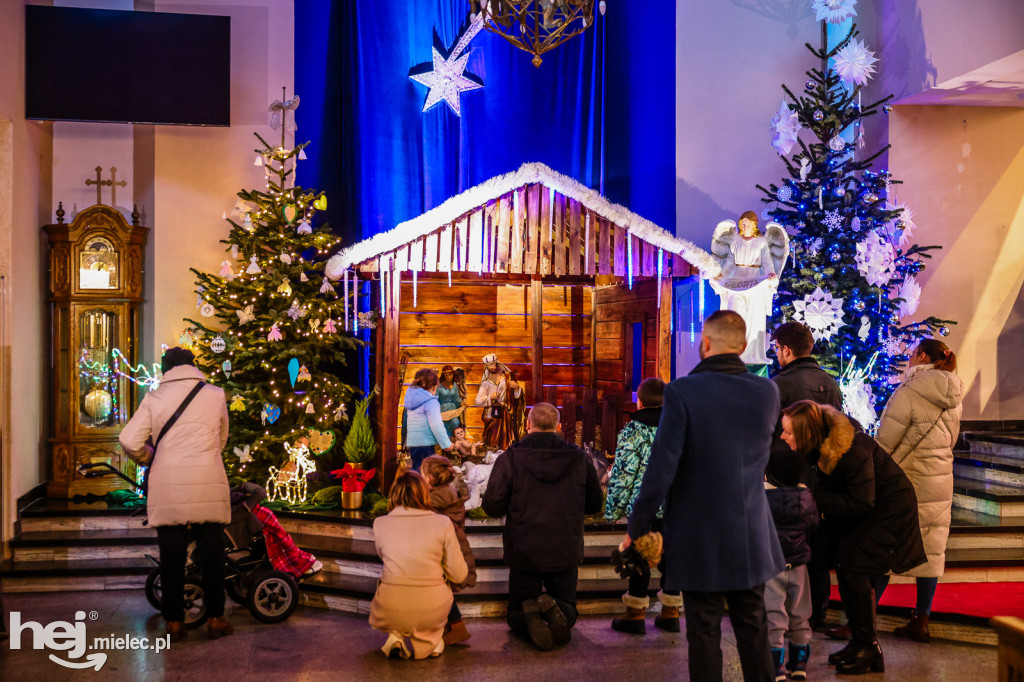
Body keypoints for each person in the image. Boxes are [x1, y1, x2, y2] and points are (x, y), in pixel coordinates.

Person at [625, 310, 785, 682]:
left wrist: (639, 525)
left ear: (705, 343)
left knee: (703, 633)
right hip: (750, 530)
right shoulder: (767, 391)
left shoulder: (682, 392)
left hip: (698, 533)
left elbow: (662, 467)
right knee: (754, 627)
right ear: (743, 348)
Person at [780, 401, 926, 675]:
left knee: (855, 569)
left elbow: (862, 501)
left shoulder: (851, 448)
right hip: (865, 508)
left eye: (788, 432)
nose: (782, 436)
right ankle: (861, 643)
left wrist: (814, 498)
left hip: (888, 509)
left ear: (806, 432)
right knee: (846, 568)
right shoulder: (821, 444)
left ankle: (868, 647)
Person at [119, 347, 233, 641]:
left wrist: (149, 456)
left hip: (168, 484)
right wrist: (204, 457)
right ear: (193, 365)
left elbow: (129, 439)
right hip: (207, 479)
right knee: (212, 555)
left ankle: (174, 622)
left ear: (165, 368)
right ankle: (216, 619)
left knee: (171, 557)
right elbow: (221, 437)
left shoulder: (155, 397)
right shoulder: (215, 394)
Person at [482, 402, 603, 651]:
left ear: (528, 426)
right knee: (568, 606)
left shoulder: (511, 458)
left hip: (524, 548)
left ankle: (528, 617)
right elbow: (594, 503)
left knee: (516, 611)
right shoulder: (579, 458)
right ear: (559, 427)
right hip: (565, 547)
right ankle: (558, 613)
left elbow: (492, 505)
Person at [874, 339, 963, 643]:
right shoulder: (955, 392)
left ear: (922, 356)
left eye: (912, 354)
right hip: (940, 477)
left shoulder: (910, 391)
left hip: (907, 480)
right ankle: (921, 620)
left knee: (884, 545)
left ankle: (863, 618)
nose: (910, 359)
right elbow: (950, 439)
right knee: (932, 547)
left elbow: (886, 441)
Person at [769, 320, 841, 632]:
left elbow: (769, 431)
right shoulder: (830, 382)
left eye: (776, 348)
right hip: (820, 474)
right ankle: (819, 610)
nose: (776, 355)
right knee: (817, 547)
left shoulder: (779, 384)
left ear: (786, 350)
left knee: (785, 545)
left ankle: (784, 611)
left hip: (782, 477)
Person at [603, 377, 682, 635]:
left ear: (639, 401)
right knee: (671, 558)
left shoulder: (633, 431)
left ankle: (635, 614)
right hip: (676, 506)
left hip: (645, 508)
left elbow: (624, 474)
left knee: (639, 558)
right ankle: (671, 613)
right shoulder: (680, 428)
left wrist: (613, 509)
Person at [369, 471, 468, 660]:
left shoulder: (380, 523)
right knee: (438, 592)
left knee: (387, 581)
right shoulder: (442, 523)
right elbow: (458, 574)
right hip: (432, 607)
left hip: (389, 607)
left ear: (394, 494)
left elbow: (383, 557)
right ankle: (431, 642)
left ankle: (395, 637)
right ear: (425, 493)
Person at [764, 450, 819, 681]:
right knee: (800, 611)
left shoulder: (762, 498)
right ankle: (798, 664)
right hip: (798, 564)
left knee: (773, 611)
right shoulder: (805, 498)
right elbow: (814, 522)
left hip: (771, 564)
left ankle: (775, 666)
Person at [709, 212, 788, 370]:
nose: (744, 227)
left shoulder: (760, 242)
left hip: (755, 283)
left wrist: (770, 274)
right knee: (735, 316)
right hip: (736, 282)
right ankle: (734, 352)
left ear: (754, 225)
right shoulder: (736, 240)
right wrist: (721, 274)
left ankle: (751, 354)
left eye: (747, 224)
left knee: (753, 318)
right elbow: (730, 261)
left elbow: (766, 261)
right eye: (742, 224)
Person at [421, 454, 477, 647]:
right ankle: (449, 624)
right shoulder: (449, 490)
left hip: (441, 548)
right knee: (441, 587)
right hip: (451, 545)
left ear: (429, 477)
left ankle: (457, 625)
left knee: (440, 588)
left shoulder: (435, 497)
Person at [405, 368, 453, 470]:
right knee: (425, 472)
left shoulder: (412, 399)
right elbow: (436, 425)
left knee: (417, 467)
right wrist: (446, 444)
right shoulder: (430, 402)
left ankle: (415, 485)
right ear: (434, 387)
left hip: (414, 442)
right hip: (425, 443)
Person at [474, 353, 524, 449]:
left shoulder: (507, 378)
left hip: (505, 413)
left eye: (492, 364)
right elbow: (477, 401)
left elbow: (514, 396)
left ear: (497, 363)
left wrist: (517, 388)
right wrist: (490, 397)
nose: (491, 368)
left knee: (505, 438)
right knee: (492, 439)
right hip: (491, 414)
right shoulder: (486, 383)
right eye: (488, 366)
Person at [437, 365, 466, 437]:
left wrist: (462, 402)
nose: (449, 377)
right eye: (447, 375)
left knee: (455, 422)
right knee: (443, 427)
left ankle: (451, 440)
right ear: (443, 375)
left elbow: (456, 398)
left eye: (451, 374)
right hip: (442, 410)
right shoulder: (439, 386)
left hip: (453, 410)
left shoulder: (455, 385)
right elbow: (435, 399)